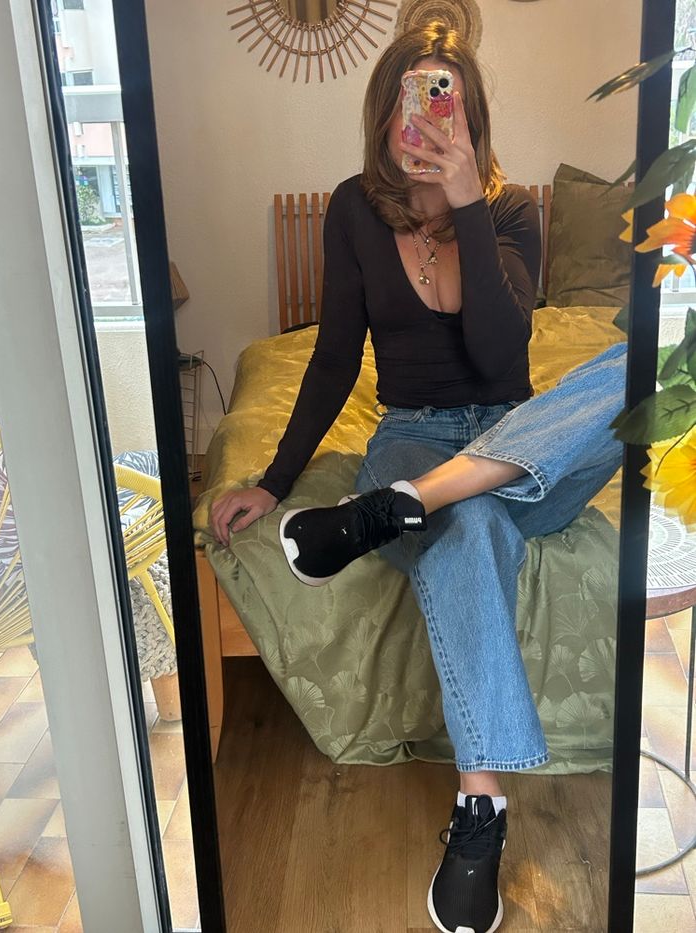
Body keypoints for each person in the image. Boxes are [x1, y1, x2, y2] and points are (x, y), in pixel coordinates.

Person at [210, 21, 627, 933]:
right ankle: (482, 811)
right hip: (411, 436)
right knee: (473, 526)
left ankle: (400, 511)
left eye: (451, 102)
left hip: (517, 435)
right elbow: (332, 357)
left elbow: (499, 353)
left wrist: (467, 201)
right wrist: (276, 480)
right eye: (418, 97)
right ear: (387, 111)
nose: (433, 117)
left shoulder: (510, 213)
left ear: (471, 119)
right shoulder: (353, 210)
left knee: (636, 369)